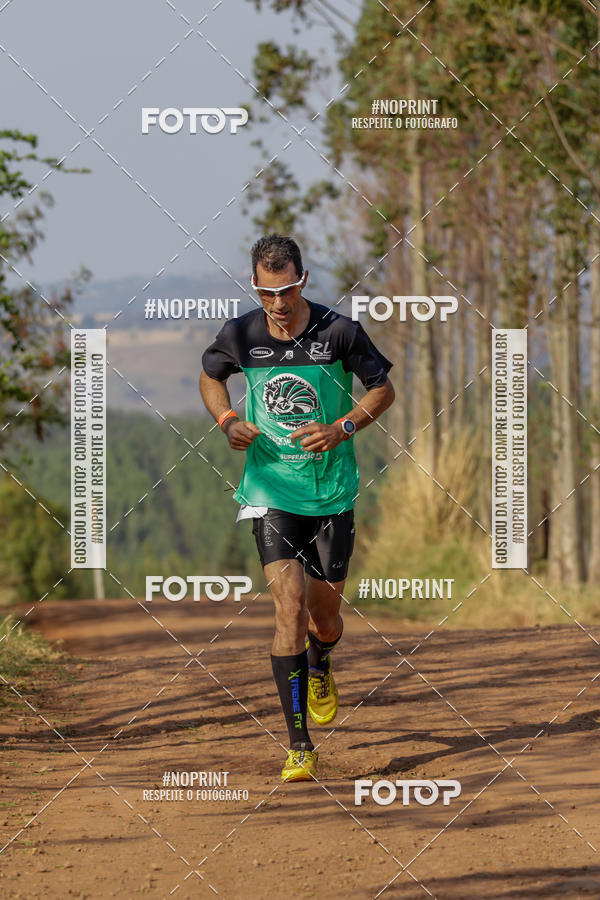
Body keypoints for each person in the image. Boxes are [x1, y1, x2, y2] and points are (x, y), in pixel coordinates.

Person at [199, 234, 394, 782]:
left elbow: (382, 388)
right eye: (267, 292)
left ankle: (321, 658)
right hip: (270, 489)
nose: (278, 304)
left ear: (302, 281)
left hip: (331, 489)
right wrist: (227, 421)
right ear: (256, 286)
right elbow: (210, 375)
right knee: (287, 605)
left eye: (286, 291)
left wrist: (343, 426)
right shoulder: (241, 332)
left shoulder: (339, 331)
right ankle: (300, 746)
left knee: (323, 615)